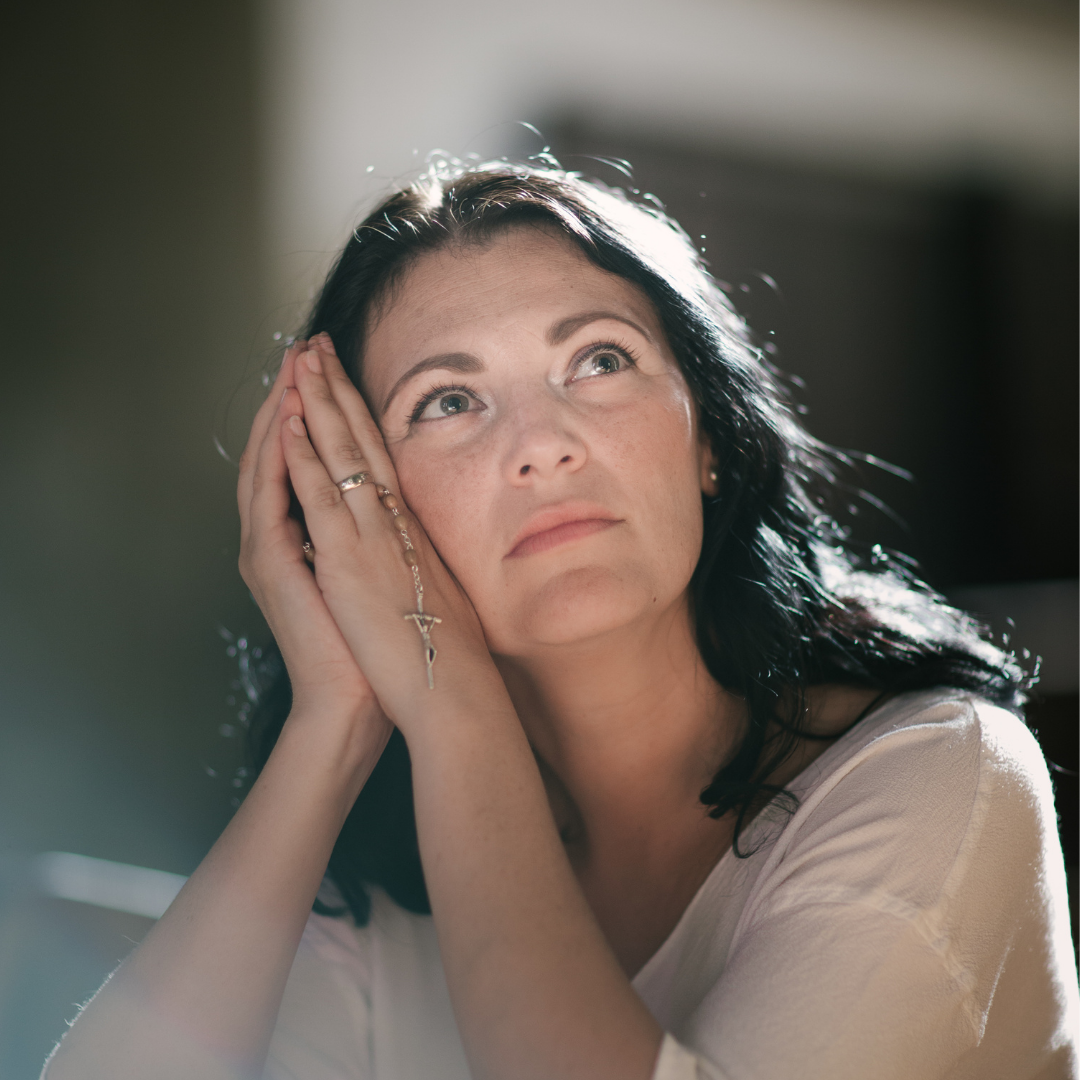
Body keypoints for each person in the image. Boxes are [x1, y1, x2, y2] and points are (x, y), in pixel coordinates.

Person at [43, 161, 1078, 1080]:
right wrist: (337, 715)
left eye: (598, 360)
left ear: (710, 435)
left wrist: (454, 712)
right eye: (448, 401)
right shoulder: (387, 891)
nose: (542, 445)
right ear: (351, 502)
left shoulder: (941, 774)